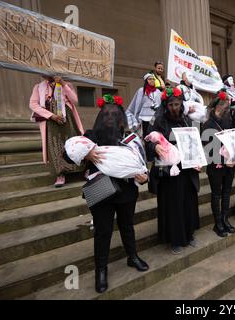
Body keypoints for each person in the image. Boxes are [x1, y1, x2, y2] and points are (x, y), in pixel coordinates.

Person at [65, 95, 149, 294]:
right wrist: (86, 153)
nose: (110, 117)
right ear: (100, 116)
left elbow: (142, 163)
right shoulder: (91, 136)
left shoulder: (129, 138)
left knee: (127, 226)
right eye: (106, 114)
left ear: (121, 118)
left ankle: (132, 257)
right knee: (103, 231)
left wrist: (144, 176)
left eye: (114, 114)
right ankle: (100, 270)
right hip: (101, 191)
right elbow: (67, 155)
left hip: (127, 190)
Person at [146, 87, 201, 255]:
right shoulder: (159, 122)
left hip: (186, 170)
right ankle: (175, 239)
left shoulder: (186, 120)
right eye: (171, 105)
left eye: (177, 104)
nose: (174, 108)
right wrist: (155, 147)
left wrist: (197, 160)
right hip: (169, 172)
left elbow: (194, 142)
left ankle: (188, 234)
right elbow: (148, 140)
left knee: (188, 203)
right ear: (165, 105)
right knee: (173, 205)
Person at [29, 76, 84, 188]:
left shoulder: (67, 85)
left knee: (74, 142)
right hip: (51, 120)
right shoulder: (38, 87)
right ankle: (60, 174)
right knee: (54, 145)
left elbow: (75, 101)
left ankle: (83, 168)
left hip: (67, 118)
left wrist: (63, 84)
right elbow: (33, 104)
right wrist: (51, 116)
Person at [202, 90, 235, 238]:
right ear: (218, 106)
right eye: (226, 105)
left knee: (227, 192)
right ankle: (218, 223)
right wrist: (224, 161)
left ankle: (225, 218)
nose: (228, 108)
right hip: (215, 167)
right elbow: (208, 151)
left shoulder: (228, 121)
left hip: (229, 165)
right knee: (216, 195)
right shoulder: (208, 124)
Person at [126, 73, 162, 138]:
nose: (152, 81)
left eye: (153, 79)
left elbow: (160, 104)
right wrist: (137, 116)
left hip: (155, 117)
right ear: (146, 81)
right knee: (146, 135)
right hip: (145, 118)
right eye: (150, 79)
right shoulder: (141, 90)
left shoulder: (158, 91)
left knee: (155, 135)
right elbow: (138, 103)